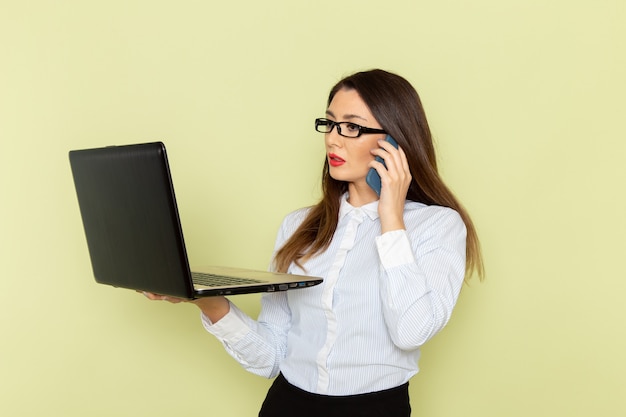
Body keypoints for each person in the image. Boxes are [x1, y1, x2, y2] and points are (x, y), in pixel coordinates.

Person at [144, 68, 484, 417]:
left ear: (395, 142)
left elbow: (411, 332)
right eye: (331, 124)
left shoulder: (436, 225)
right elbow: (273, 356)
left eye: (352, 127)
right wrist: (210, 302)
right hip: (286, 405)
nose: (333, 140)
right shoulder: (298, 226)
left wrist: (391, 219)